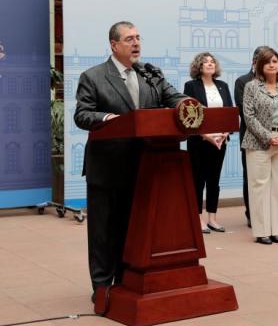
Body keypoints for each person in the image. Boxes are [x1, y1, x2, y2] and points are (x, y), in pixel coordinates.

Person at [74, 21, 186, 302]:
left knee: (132, 228)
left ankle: (125, 281)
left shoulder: (149, 74)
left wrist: (188, 105)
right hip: (107, 166)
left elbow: (175, 97)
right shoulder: (94, 76)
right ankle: (101, 286)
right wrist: (107, 118)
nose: (136, 43)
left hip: (144, 165)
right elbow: (82, 115)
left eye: (138, 38)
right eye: (129, 39)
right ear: (114, 45)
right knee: (103, 231)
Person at [241, 47, 278, 244]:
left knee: (277, 188)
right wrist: (268, 136)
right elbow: (249, 116)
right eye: (267, 62)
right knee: (259, 188)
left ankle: (274, 229)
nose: (272, 65)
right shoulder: (251, 87)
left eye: (275, 61)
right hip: (258, 143)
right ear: (260, 66)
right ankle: (261, 231)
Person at [183, 52, 234, 233]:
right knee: (198, 180)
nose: (210, 64)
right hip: (199, 140)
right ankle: (198, 218)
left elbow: (229, 112)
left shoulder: (223, 86)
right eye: (206, 62)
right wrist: (206, 135)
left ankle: (212, 217)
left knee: (214, 179)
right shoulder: (191, 86)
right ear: (199, 66)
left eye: (212, 62)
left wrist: (225, 133)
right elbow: (189, 115)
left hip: (220, 140)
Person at [235, 47, 269, 227]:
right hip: (251, 137)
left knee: (270, 178)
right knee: (252, 178)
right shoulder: (242, 81)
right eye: (264, 61)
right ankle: (253, 214)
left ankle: (270, 213)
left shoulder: (274, 81)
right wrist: (264, 132)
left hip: (273, 139)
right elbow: (245, 111)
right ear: (254, 62)